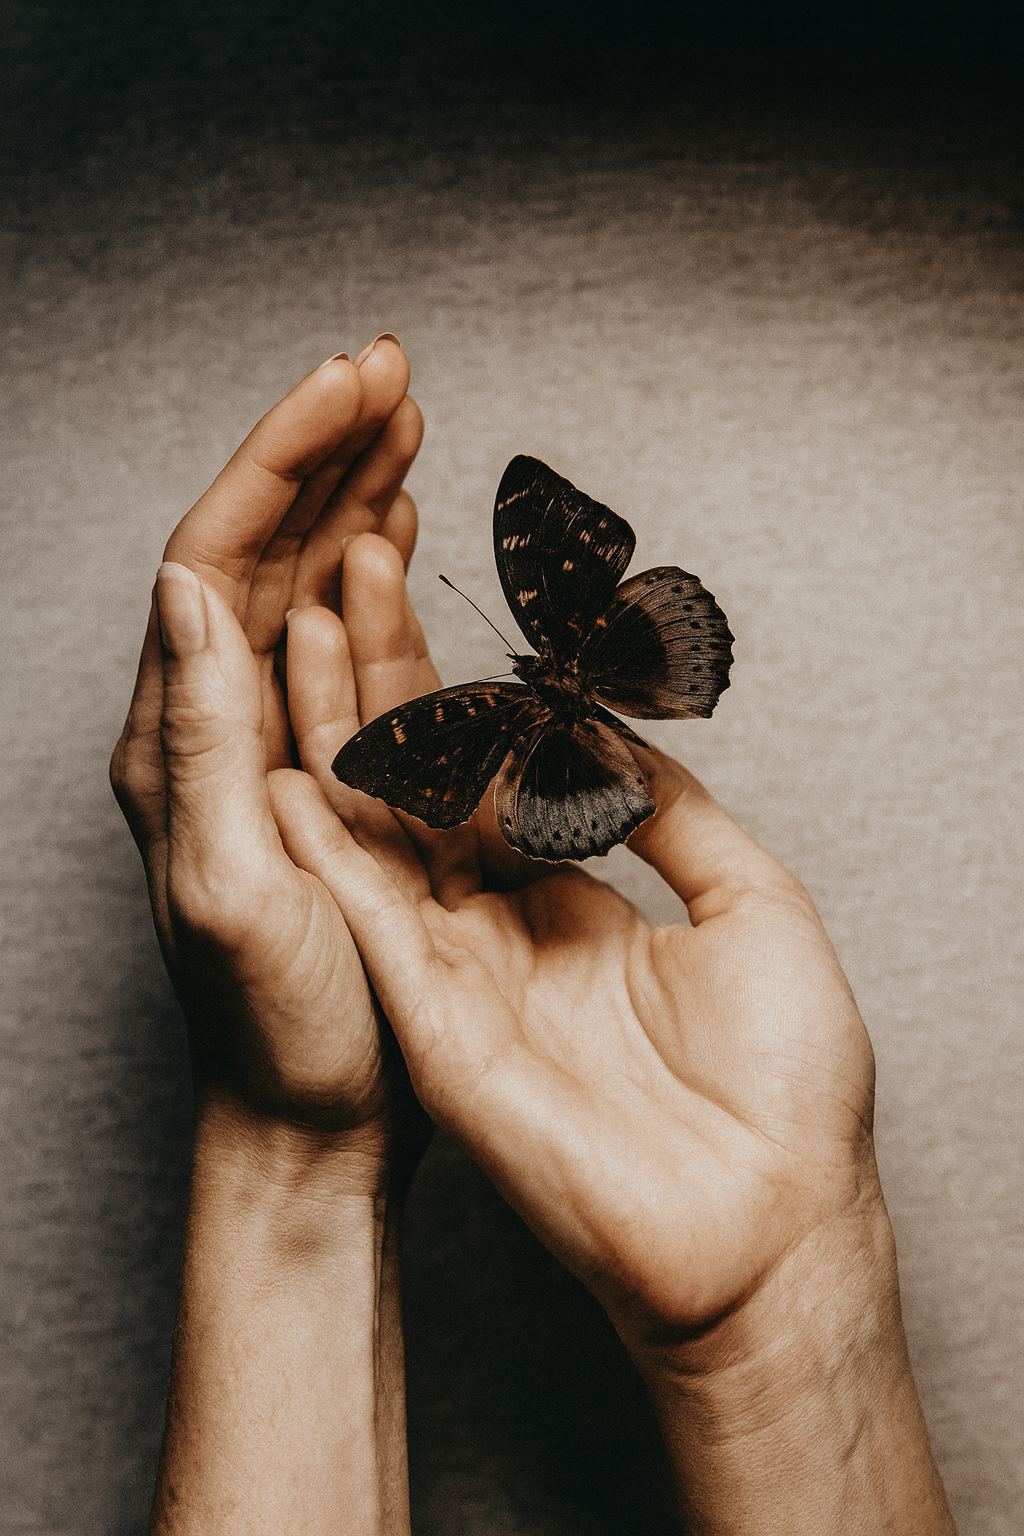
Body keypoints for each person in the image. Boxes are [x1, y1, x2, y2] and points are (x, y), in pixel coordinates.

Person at [111, 337, 958, 1534]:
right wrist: (296, 1123)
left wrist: (783, 1289)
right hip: (608, 670)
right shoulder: (510, 695)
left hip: (561, 728)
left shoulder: (489, 715)